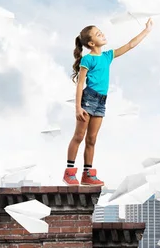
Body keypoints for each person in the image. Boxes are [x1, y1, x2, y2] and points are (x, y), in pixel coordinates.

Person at [63, 18, 154, 186]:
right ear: (91, 43)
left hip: (101, 101)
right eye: (98, 34)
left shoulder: (107, 56)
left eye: (101, 32)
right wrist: (77, 108)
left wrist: (146, 31)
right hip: (88, 99)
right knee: (79, 136)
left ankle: (87, 174)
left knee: (92, 139)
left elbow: (130, 45)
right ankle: (69, 172)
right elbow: (80, 83)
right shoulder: (87, 59)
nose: (102, 34)